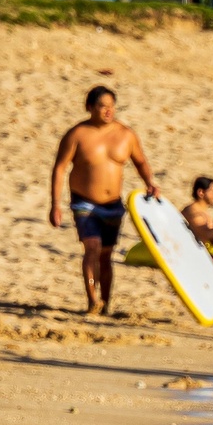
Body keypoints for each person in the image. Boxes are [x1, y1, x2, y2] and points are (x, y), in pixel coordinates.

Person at [50, 86, 158, 317]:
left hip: (113, 204)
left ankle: (106, 303)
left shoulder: (126, 135)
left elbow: (140, 162)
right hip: (84, 202)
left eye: (111, 106)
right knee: (92, 248)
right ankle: (92, 300)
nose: (108, 111)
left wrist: (150, 181)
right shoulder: (77, 134)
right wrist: (55, 205)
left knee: (106, 256)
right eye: (102, 106)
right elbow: (59, 169)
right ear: (89, 107)